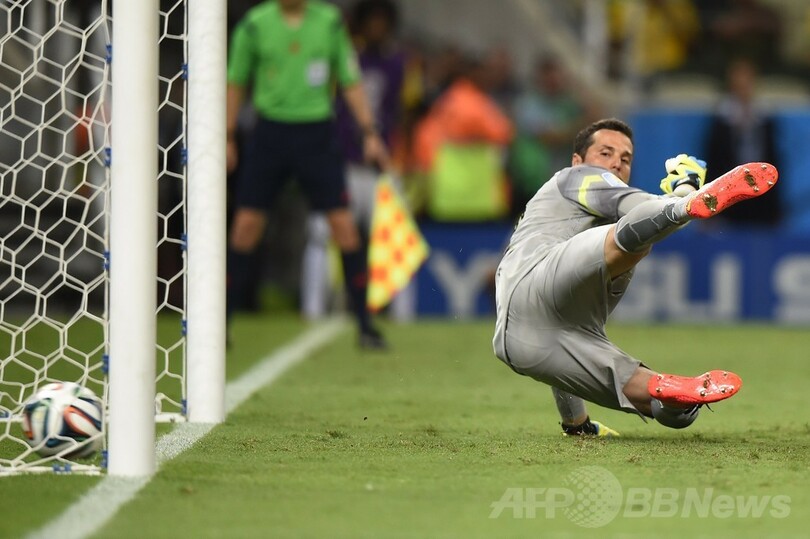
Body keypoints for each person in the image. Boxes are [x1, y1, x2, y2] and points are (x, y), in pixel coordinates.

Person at [492, 118, 778, 436]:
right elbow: (638, 207)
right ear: (577, 160)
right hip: (534, 280)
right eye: (606, 153)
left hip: (532, 341)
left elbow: (646, 215)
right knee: (631, 243)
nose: (616, 162)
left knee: (664, 403)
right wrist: (685, 190)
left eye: (625, 159)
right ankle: (688, 203)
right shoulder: (575, 177)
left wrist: (577, 423)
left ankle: (662, 406)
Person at [226, 0, 389, 349]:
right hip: (269, 133)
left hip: (316, 134)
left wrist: (369, 132)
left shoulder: (329, 23)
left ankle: (365, 326)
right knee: (245, 227)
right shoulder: (254, 25)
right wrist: (226, 136)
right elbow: (236, 81)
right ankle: (221, 324)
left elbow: (350, 80)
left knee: (344, 227)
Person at [300, 0, 409, 323]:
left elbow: (404, 114)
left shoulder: (400, 63)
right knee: (321, 233)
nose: (377, 27)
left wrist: (400, 157)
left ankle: (404, 316)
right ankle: (312, 309)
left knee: (396, 239)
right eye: (372, 21)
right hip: (343, 164)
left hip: (381, 168)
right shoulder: (343, 59)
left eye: (382, 21)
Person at [704, 57, 782, 226]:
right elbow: (713, 159)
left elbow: (774, 158)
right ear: (731, 85)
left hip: (762, 193)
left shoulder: (764, 117)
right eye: (739, 83)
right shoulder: (722, 119)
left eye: (747, 82)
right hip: (729, 190)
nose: (743, 87)